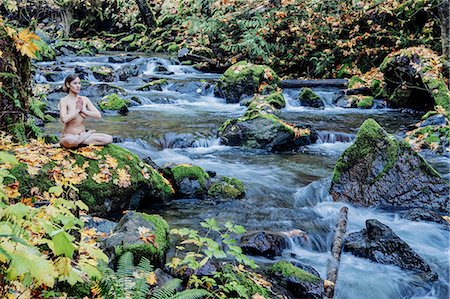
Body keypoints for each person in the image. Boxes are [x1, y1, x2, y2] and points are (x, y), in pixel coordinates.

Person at [59, 74, 113, 148]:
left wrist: (84, 110)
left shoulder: (84, 99)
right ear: (68, 85)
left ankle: (80, 141)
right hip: (69, 136)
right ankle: (86, 135)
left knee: (109, 139)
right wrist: (77, 110)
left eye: (79, 83)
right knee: (71, 141)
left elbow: (98, 115)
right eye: (75, 83)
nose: (78, 86)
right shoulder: (64, 100)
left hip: (82, 134)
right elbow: (64, 119)